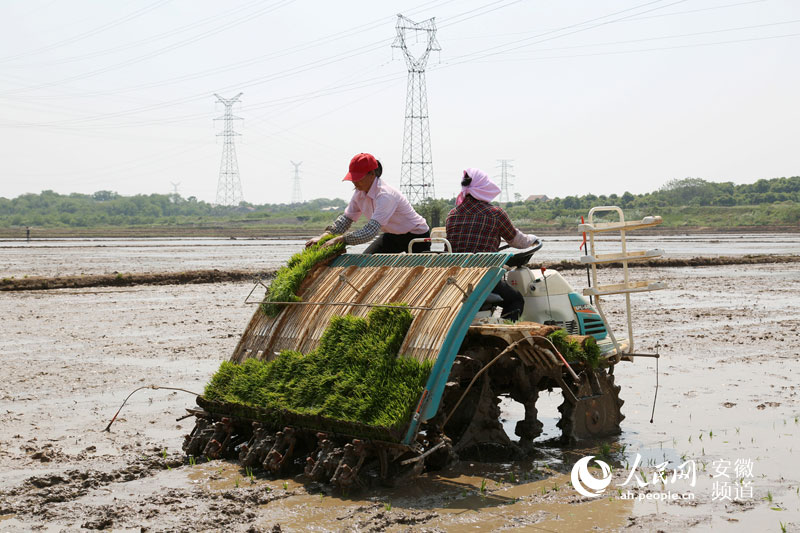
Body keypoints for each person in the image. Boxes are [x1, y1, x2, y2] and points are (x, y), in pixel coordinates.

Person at [445, 168, 539, 321]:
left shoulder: (452, 214)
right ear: (483, 187)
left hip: (458, 276)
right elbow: (518, 241)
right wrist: (532, 238)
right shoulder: (495, 213)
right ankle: (506, 331)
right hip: (483, 277)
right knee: (515, 300)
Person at [306, 153, 431, 254]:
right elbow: (345, 220)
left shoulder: (385, 195)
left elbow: (370, 231)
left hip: (416, 236)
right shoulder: (359, 193)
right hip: (392, 235)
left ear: (372, 174)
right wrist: (324, 236)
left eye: (358, 177)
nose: (354, 181)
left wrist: (342, 240)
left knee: (419, 272)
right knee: (366, 261)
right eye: (353, 177)